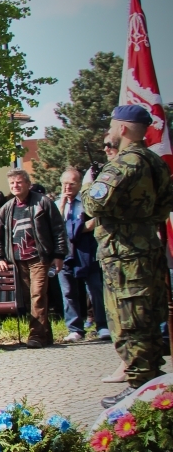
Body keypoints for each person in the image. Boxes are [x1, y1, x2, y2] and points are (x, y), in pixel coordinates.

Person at [82, 104, 173, 407]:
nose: (109, 133)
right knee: (148, 317)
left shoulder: (124, 163)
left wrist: (87, 186)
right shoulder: (156, 163)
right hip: (148, 248)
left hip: (124, 257)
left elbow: (95, 205)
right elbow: (163, 208)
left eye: (111, 127)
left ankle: (140, 388)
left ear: (122, 128)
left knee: (130, 320)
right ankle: (151, 383)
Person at [0, 169, 68, 349]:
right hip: (17, 260)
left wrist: (59, 255)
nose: (15, 186)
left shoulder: (43, 203)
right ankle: (45, 335)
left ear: (27, 184)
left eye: (19, 182)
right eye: (12, 184)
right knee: (29, 298)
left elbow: (58, 229)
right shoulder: (7, 208)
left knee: (38, 295)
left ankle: (35, 336)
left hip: (39, 257)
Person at [55, 168, 108, 343]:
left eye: (72, 183)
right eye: (65, 184)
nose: (68, 187)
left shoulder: (87, 202)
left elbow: (94, 221)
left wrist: (75, 229)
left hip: (87, 252)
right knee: (68, 291)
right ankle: (75, 329)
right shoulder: (56, 204)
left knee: (95, 289)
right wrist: (62, 205)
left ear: (80, 185)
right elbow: (56, 226)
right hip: (65, 253)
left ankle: (103, 326)